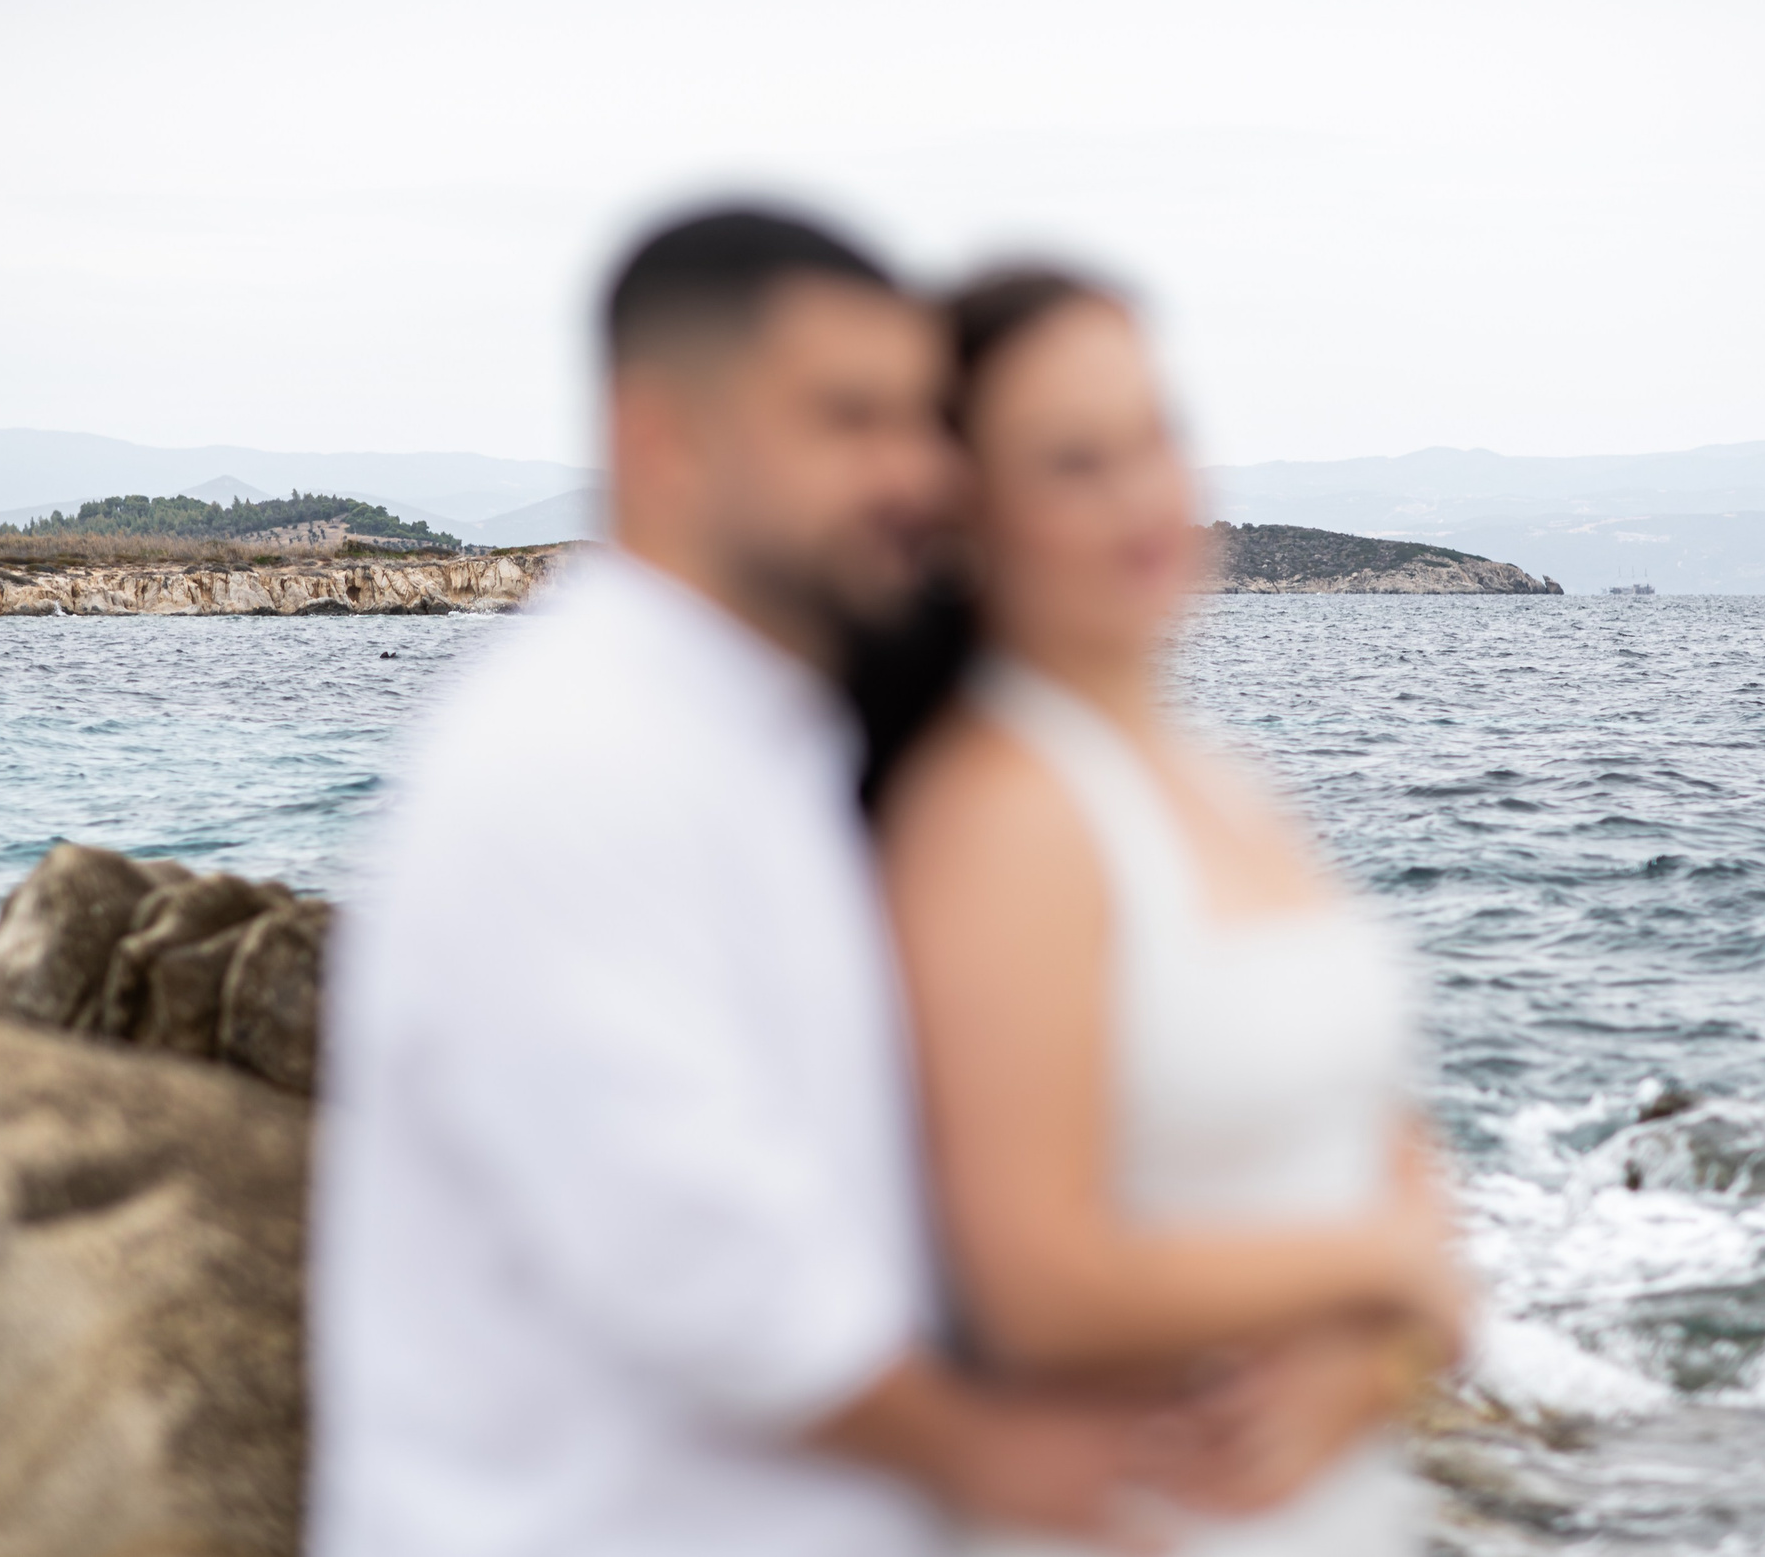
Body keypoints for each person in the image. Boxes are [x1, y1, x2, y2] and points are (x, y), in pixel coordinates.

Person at [307, 210, 1182, 1557]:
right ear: (663, 438)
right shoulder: (570, 756)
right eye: (849, 420)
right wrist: (1020, 1464)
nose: (915, 473)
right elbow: (706, 1265)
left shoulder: (784, 736)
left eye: (920, 420)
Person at [871, 268, 1472, 1556]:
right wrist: (1378, 1268)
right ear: (967, 516)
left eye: (1157, 437)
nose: (1143, 494)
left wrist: (1368, 1363)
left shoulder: (1225, 784)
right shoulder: (1002, 813)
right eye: (1075, 462)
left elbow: (1407, 1186)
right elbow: (1034, 1281)